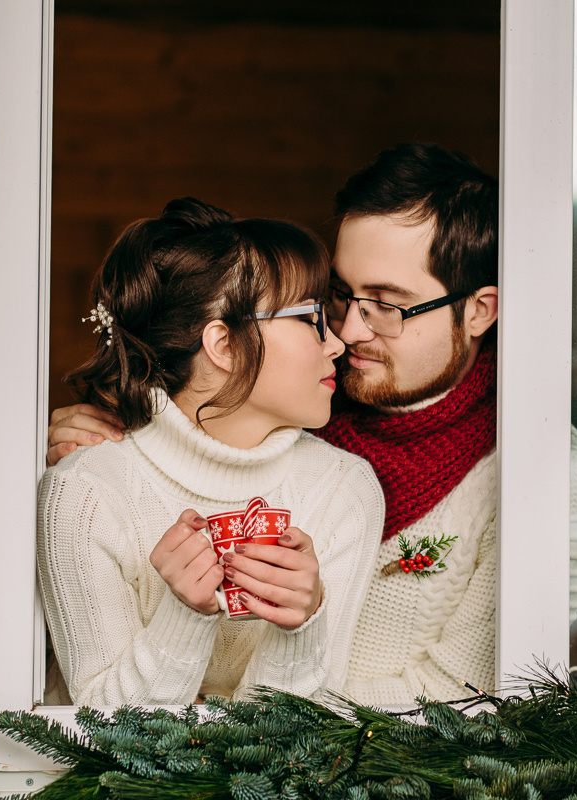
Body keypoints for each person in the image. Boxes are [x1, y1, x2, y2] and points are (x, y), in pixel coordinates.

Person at [48, 144, 577, 707]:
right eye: (337, 296)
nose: (349, 332)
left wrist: (250, 711)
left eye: (388, 304)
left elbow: (472, 699)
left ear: (480, 310)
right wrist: (122, 430)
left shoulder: (544, 471)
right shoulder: (287, 402)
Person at [37, 197, 383, 707]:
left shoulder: (344, 489)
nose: (337, 345)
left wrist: (302, 628)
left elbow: (298, 747)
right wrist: (184, 616)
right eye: (313, 319)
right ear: (224, 345)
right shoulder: (86, 493)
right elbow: (98, 737)